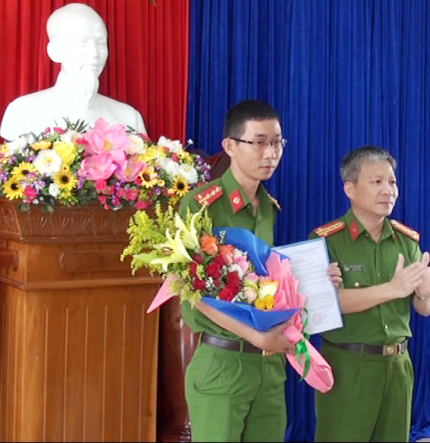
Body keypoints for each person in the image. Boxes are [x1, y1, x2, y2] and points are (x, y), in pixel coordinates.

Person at [179, 99, 340, 442]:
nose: (271, 153)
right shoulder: (200, 204)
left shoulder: (269, 207)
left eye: (277, 142)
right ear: (230, 146)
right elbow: (185, 288)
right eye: (260, 142)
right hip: (224, 361)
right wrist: (256, 337)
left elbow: (264, 286)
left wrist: (316, 283)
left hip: (269, 366)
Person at [310, 146, 430, 442]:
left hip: (398, 366)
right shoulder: (326, 240)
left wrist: (425, 293)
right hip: (348, 367)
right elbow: (324, 304)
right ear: (350, 189)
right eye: (376, 182)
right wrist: (392, 289)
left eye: (392, 182)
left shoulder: (407, 241)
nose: (388, 190)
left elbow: (423, 308)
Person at [0, 3, 146, 141]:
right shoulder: (23, 112)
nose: (94, 53)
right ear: (55, 51)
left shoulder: (129, 118)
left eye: (101, 44)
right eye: (82, 43)